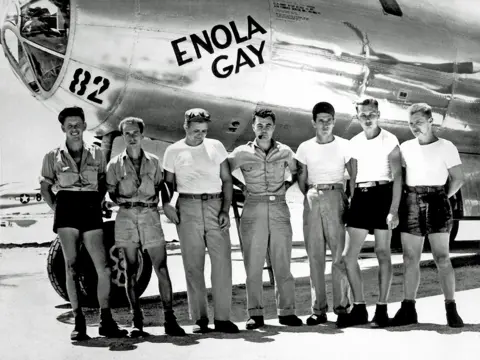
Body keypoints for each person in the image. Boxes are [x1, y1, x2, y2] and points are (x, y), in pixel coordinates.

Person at [39, 106, 127, 341]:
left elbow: (102, 182)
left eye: (78, 124)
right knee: (71, 267)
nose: (74, 129)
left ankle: (106, 320)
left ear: (85, 126)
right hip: (66, 208)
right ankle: (79, 323)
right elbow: (45, 187)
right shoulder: (52, 156)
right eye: (70, 125)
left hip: (90, 207)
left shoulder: (97, 154)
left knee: (104, 267)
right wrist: (58, 210)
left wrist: (96, 203)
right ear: (63, 128)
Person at [106, 117, 186, 337]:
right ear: (123, 136)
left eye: (135, 133)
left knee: (161, 268)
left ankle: (170, 319)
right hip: (126, 216)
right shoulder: (114, 165)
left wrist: (167, 205)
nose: (131, 137)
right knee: (131, 270)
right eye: (127, 134)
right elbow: (111, 191)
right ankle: (137, 323)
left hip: (150, 214)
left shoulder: (154, 162)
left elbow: (162, 187)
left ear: (142, 135)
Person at [161, 108, 239, 334]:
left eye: (204, 131)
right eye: (196, 131)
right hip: (188, 208)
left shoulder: (216, 146)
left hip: (215, 207)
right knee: (193, 266)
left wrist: (225, 209)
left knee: (222, 264)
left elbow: (226, 181)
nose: (200, 135)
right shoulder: (173, 151)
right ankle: (200, 319)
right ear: (185, 126)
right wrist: (167, 206)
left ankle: (223, 318)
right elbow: (168, 185)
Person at [228, 108, 302, 330]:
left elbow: (296, 171)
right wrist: (241, 186)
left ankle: (287, 312)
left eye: (268, 125)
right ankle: (255, 314)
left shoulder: (286, 151)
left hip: (279, 206)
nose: (263, 129)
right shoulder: (241, 152)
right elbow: (223, 170)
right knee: (253, 262)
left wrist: (287, 185)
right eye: (259, 125)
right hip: (254, 207)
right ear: (253, 127)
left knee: (283, 262)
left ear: (274, 127)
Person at [392, 103, 464, 328]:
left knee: (442, 258)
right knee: (409, 258)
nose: (415, 127)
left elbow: (458, 178)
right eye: (411, 123)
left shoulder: (446, 146)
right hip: (412, 200)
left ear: (431, 121)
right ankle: (408, 308)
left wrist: (441, 196)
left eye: (419, 122)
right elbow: (399, 177)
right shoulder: (405, 147)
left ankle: (451, 308)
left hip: (437, 200)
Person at [341, 98, 402, 328]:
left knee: (382, 252)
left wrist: (393, 210)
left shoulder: (390, 139)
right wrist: (352, 201)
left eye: (371, 114)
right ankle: (359, 308)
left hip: (383, 195)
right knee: (348, 256)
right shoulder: (354, 142)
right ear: (357, 116)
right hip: (361, 197)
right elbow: (353, 176)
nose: (367, 118)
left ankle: (382, 310)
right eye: (363, 114)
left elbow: (397, 177)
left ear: (378, 115)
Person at [295, 102, 352, 327]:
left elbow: (353, 176)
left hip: (336, 195)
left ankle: (342, 308)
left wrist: (345, 199)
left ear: (334, 121)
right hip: (313, 197)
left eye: (329, 120)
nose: (325, 124)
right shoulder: (304, 148)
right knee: (315, 257)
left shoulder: (345, 145)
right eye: (321, 120)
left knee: (339, 256)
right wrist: (313, 196)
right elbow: (301, 179)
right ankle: (318, 310)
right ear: (314, 122)